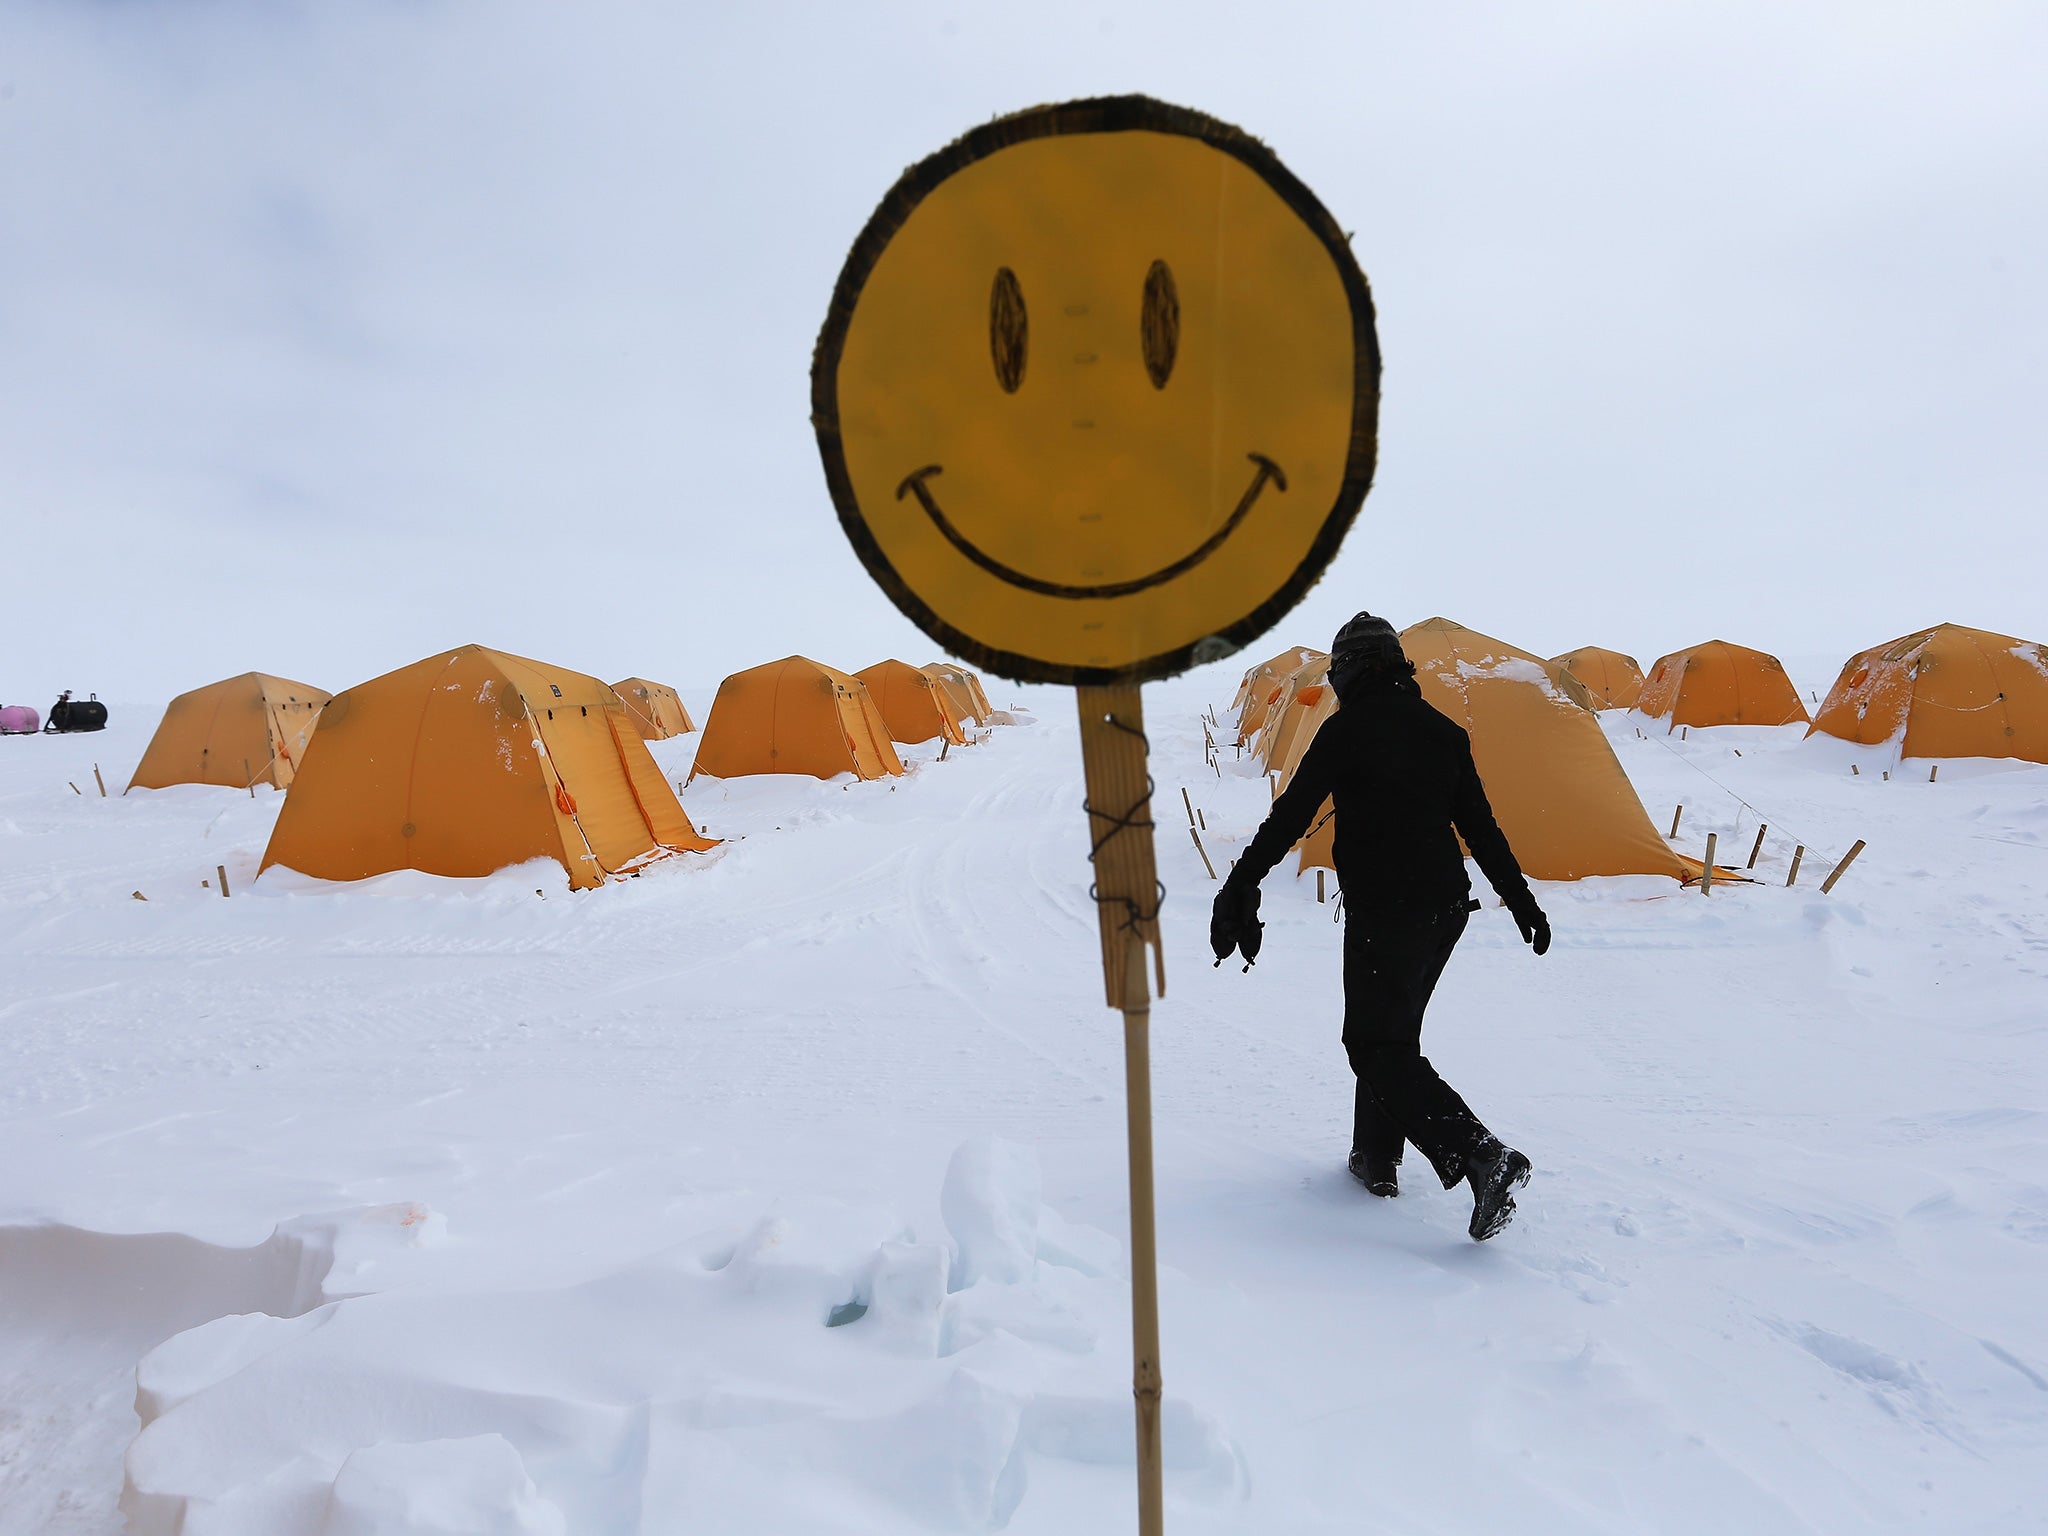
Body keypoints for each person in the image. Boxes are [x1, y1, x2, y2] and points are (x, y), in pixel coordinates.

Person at [1212, 612, 1549, 1241]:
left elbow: (1289, 817)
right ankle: (1377, 1159)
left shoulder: (1346, 731)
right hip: (1445, 911)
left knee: (1372, 1045)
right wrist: (1520, 899)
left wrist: (1241, 881)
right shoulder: (1442, 731)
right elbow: (1481, 826)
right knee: (1393, 1037)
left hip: (1385, 914)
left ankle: (1481, 1155)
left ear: (1350, 671)